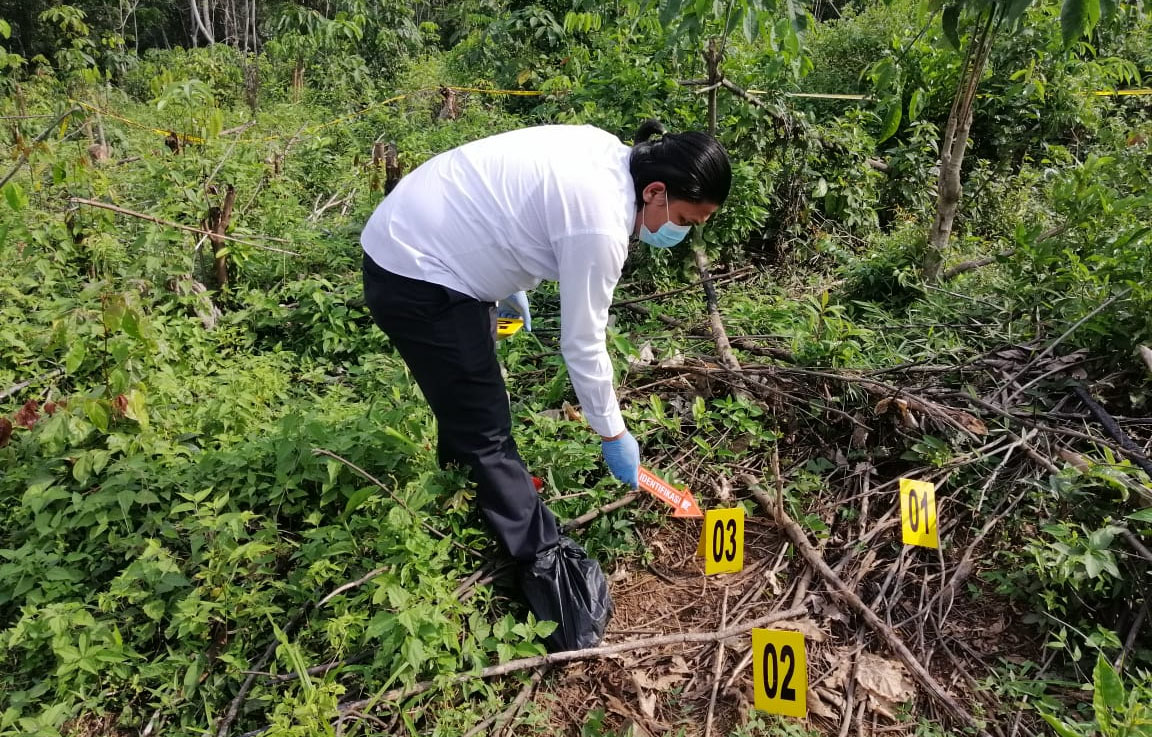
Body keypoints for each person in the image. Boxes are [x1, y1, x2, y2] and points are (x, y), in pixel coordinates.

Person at [360, 119, 731, 649]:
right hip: (417, 270)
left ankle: (458, 485)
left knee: (466, 389)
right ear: (655, 192)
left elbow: (516, 198)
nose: (681, 232)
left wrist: (502, 278)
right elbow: (582, 344)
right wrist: (612, 433)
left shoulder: (606, 150)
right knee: (486, 427)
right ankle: (544, 569)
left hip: (422, 235)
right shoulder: (601, 224)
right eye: (684, 219)